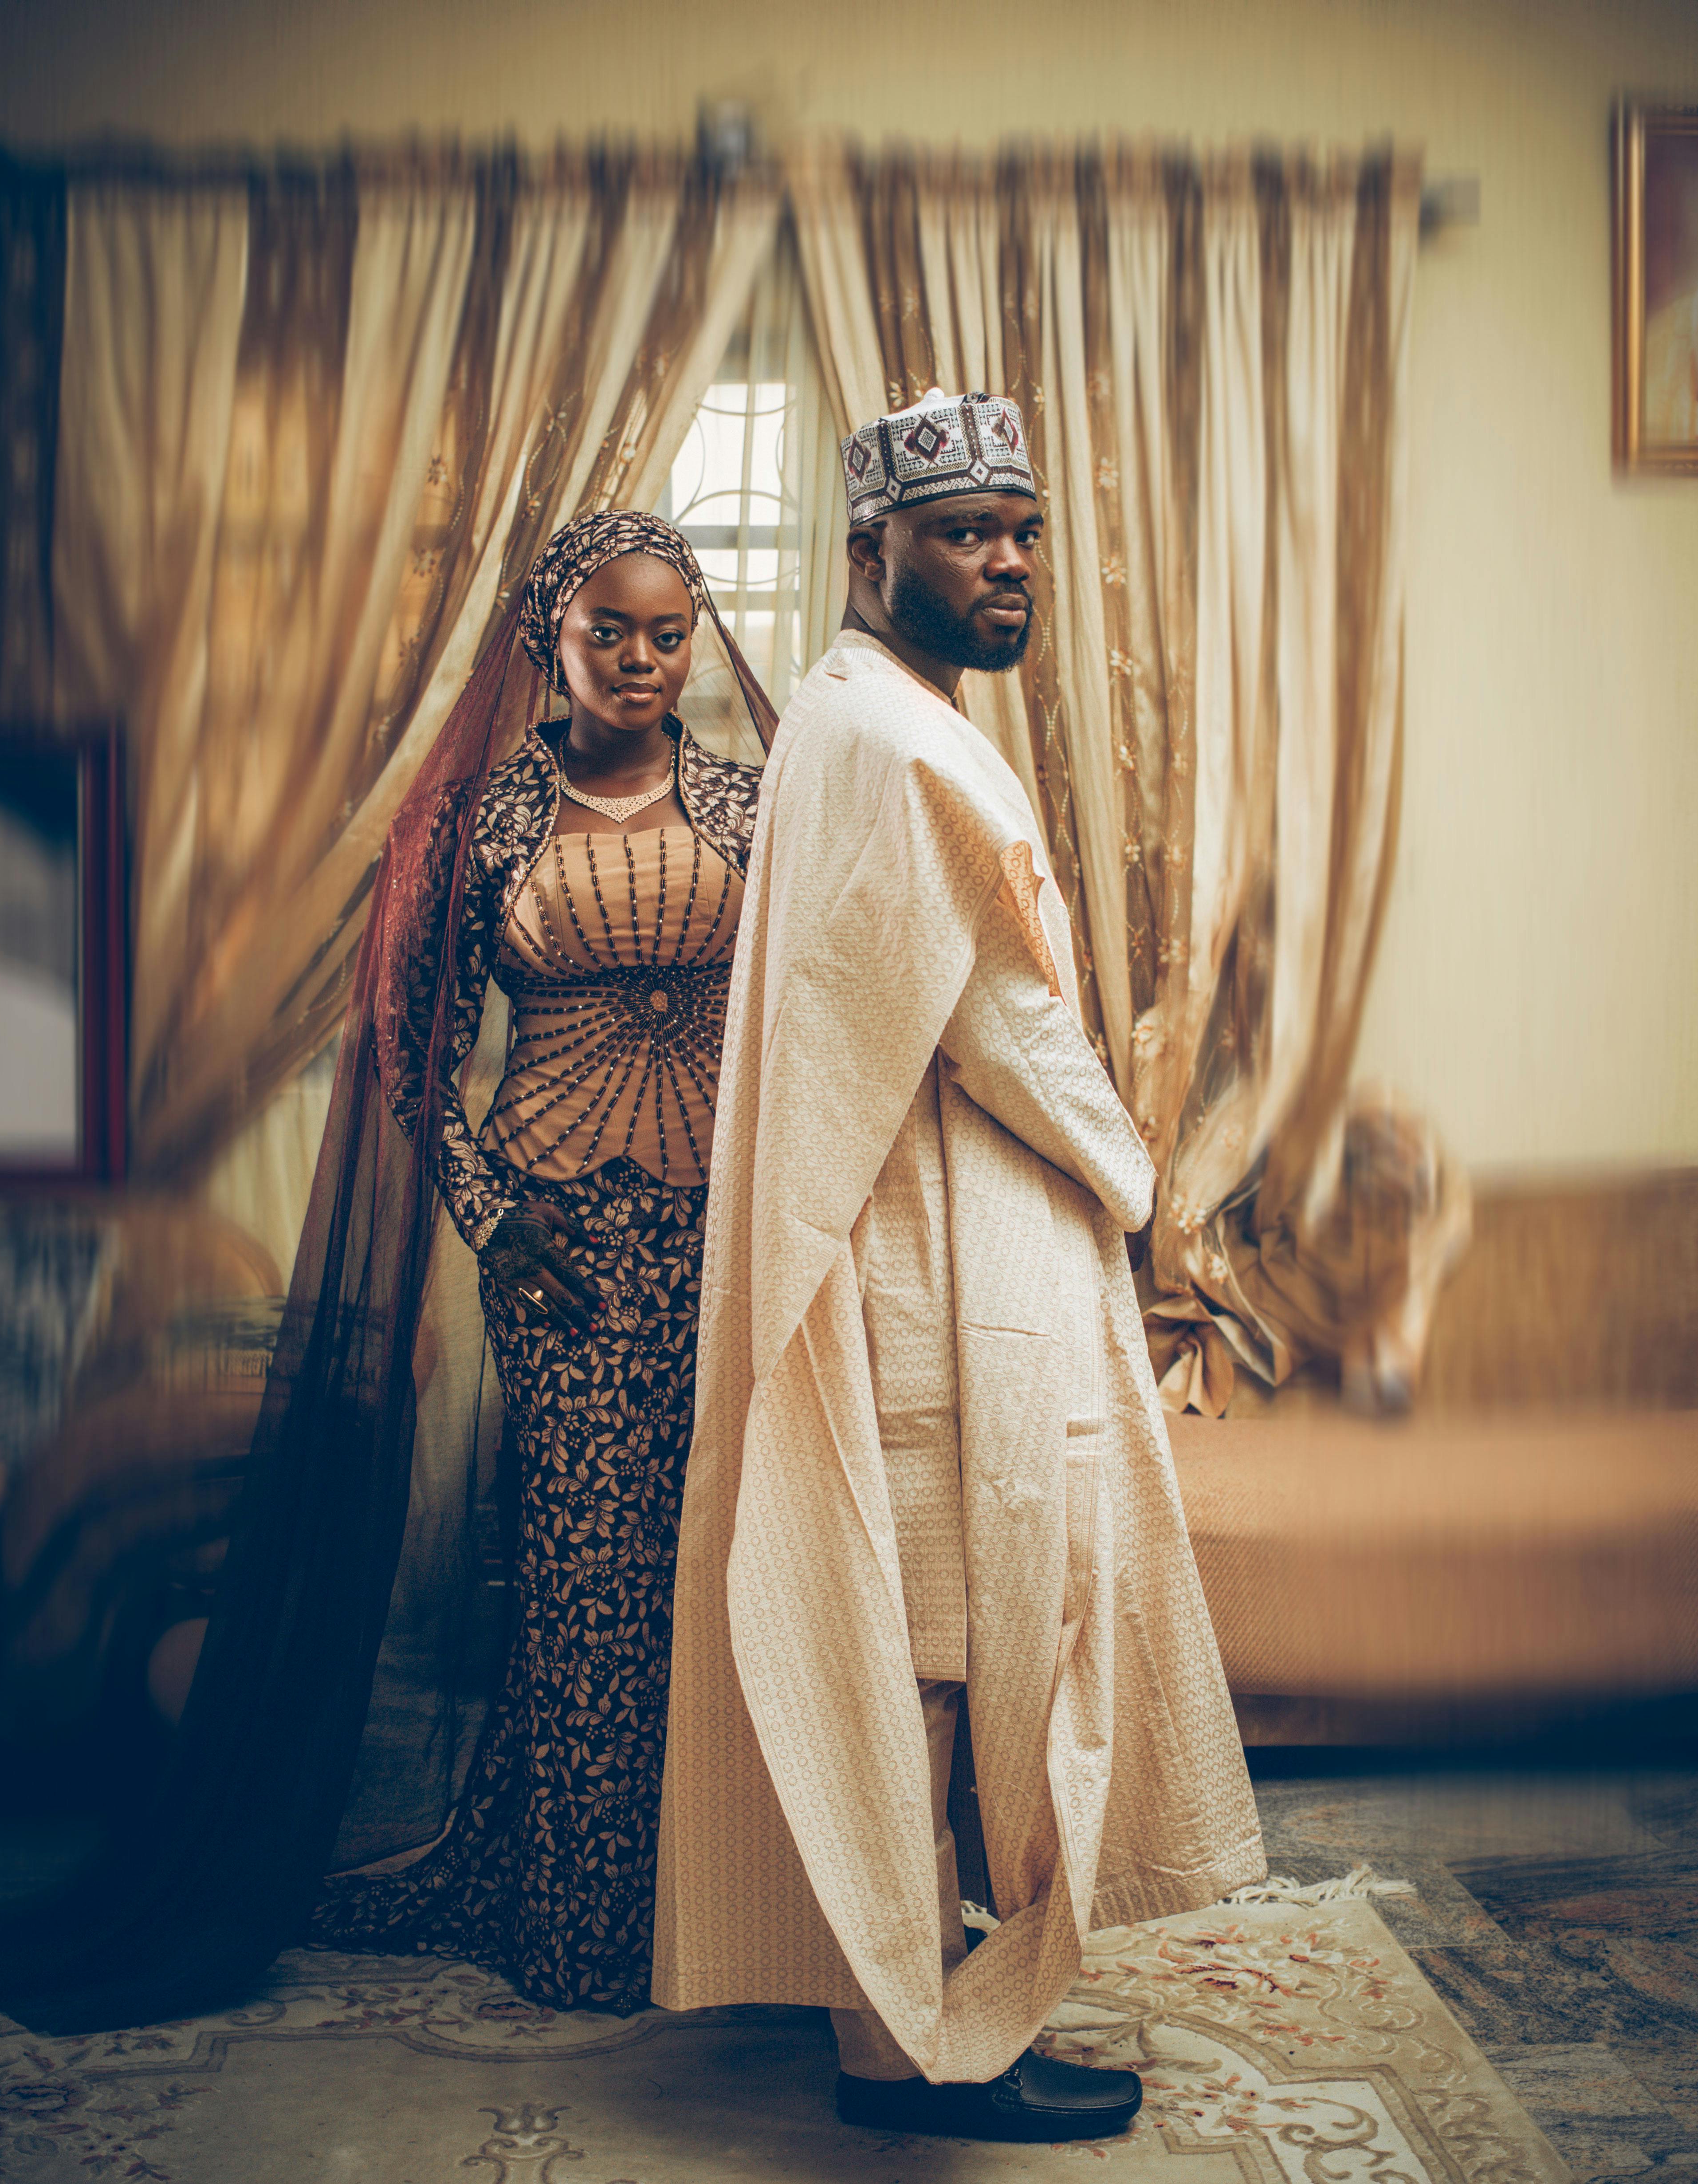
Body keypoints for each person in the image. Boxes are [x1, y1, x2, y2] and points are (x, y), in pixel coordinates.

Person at [653, 392, 1264, 2142]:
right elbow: (1001, 1016)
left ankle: (916, 2004)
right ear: (874, 552)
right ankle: (902, 2053)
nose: (1006, 562)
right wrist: (1140, 1180)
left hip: (932, 1232)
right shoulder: (887, 737)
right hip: (912, 1250)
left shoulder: (871, 712)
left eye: (1021, 530)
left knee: (931, 1645)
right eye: (965, 532)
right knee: (920, 1656)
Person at [313, 512, 766, 2011]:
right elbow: (408, 1045)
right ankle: (582, 1922)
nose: (641, 658)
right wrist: (490, 1217)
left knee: (724, 1572)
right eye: (607, 632)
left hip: (733, 1232)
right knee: (583, 1567)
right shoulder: (484, 820)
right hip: (560, 1241)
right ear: (546, 643)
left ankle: (728, 1911)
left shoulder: (752, 805)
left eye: (667, 630)